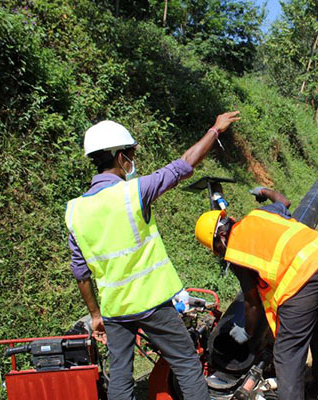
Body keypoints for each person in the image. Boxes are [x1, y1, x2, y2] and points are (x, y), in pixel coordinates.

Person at [65, 111, 240, 400]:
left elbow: (80, 272)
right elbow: (184, 164)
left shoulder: (75, 211)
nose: (133, 160)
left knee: (121, 378)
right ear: (120, 157)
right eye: (131, 154)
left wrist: (96, 314)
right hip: (152, 302)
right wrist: (215, 130)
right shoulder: (134, 192)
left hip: (114, 310)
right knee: (186, 364)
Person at [194, 189, 318, 400]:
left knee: (287, 353)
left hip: (307, 278)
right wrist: (265, 191)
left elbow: (252, 302)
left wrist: (247, 331)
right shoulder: (258, 215)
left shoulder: (236, 250)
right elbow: (284, 200)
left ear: (221, 236)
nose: (221, 254)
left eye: (218, 249)